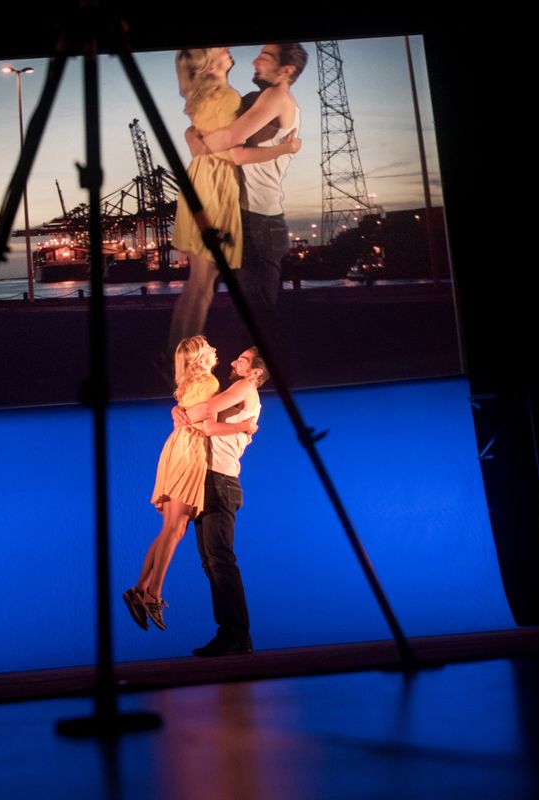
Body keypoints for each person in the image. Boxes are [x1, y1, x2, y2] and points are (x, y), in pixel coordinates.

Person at [168, 47, 302, 355]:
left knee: (198, 285)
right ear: (207, 63)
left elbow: (208, 134)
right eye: (218, 48)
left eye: (266, 56)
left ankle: (175, 357)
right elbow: (234, 151)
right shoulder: (228, 97)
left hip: (207, 184)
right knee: (203, 288)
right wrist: (285, 149)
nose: (228, 48)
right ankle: (184, 363)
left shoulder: (215, 95)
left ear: (286, 70)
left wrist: (194, 136)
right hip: (217, 187)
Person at [124, 335, 258, 631]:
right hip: (191, 452)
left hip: (180, 448)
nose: (217, 350)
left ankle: (140, 589)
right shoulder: (209, 382)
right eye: (209, 347)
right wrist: (245, 426)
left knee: (173, 530)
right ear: (199, 358)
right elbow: (207, 423)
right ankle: (152, 594)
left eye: (243, 359)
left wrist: (179, 412)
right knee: (177, 530)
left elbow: (191, 412)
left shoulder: (193, 383)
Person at [177, 346, 268, 657]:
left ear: (255, 371)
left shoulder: (245, 386)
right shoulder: (237, 389)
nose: (233, 362)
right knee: (211, 560)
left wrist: (183, 414)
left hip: (221, 479)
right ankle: (229, 632)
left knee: (219, 559)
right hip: (210, 479)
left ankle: (237, 634)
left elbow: (207, 413)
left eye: (241, 360)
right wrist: (179, 411)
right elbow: (202, 413)